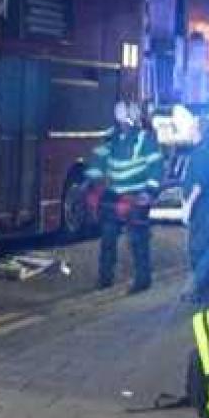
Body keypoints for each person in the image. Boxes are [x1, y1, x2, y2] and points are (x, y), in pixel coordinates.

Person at [87, 100, 164, 294]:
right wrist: (94, 185)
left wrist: (149, 193)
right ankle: (105, 278)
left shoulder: (144, 139)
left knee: (138, 240)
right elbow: (97, 161)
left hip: (137, 197)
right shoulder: (111, 138)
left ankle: (142, 279)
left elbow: (156, 168)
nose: (124, 125)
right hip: (115, 196)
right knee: (108, 239)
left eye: (126, 121)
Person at [182, 115, 209, 305]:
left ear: (200, 131)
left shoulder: (200, 154)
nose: (189, 130)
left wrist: (187, 207)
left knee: (200, 249)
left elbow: (198, 185)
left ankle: (202, 293)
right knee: (206, 247)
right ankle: (208, 292)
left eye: (192, 127)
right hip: (208, 206)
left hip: (201, 208)